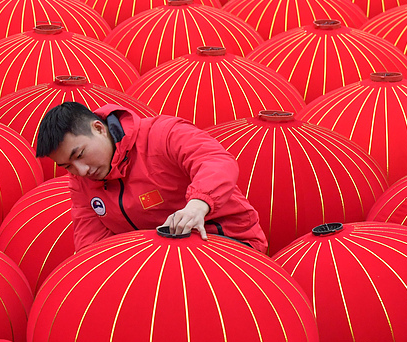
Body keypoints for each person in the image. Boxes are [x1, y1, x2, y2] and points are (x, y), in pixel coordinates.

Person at [35, 101, 267, 253]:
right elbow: (92, 242)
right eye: (68, 166)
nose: (81, 171)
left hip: (225, 241)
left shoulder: (163, 133)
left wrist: (198, 205)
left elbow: (215, 161)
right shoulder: (81, 182)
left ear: (98, 128)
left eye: (80, 154)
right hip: (159, 259)